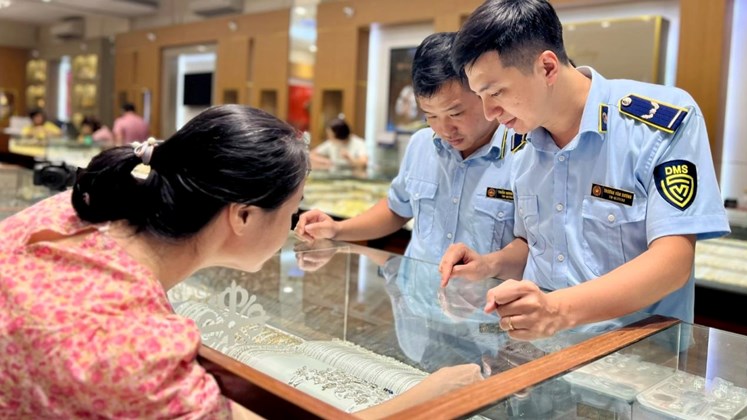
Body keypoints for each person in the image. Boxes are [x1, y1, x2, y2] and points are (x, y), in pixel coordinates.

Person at [0, 104, 481, 418]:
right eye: (291, 210)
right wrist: (430, 397)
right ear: (245, 216)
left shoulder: (72, 210)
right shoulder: (141, 353)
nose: (293, 227)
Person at [439, 0, 730, 340]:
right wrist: (489, 265)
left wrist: (557, 310)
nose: (490, 112)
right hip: (542, 352)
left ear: (547, 68)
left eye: (497, 92)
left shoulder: (657, 124)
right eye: (480, 96)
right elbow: (535, 244)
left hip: (636, 359)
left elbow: (672, 263)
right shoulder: (518, 141)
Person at [296, 32, 517, 262]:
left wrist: (490, 266)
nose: (444, 129)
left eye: (456, 113)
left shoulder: (523, 153)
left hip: (484, 296)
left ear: (484, 93)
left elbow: (534, 245)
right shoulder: (422, 144)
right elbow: (396, 209)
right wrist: (338, 229)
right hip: (416, 292)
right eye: (430, 115)